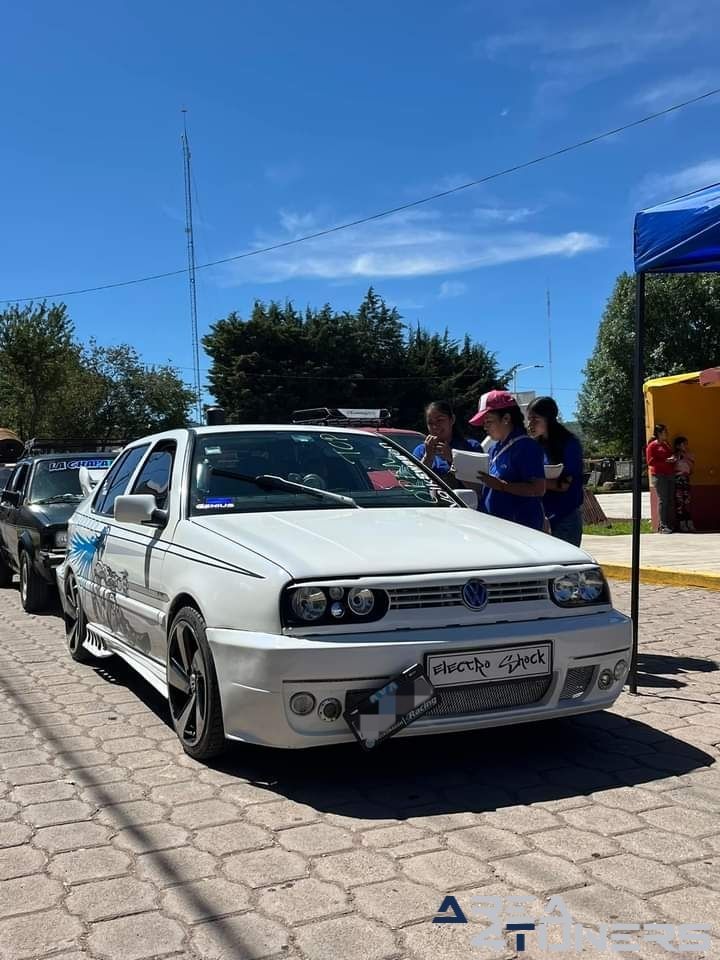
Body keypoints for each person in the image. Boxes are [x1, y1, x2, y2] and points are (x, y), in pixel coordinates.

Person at [468, 390, 546, 531]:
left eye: (489, 421)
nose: (485, 427)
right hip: (494, 527)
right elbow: (489, 487)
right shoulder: (494, 449)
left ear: (506, 418)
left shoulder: (526, 447)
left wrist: (503, 486)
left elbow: (539, 489)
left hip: (520, 528)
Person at [527, 396, 584, 546]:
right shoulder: (534, 445)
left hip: (565, 518)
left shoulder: (569, 444)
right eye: (528, 419)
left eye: (535, 419)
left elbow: (564, 485)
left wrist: (535, 483)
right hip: (540, 516)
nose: (530, 424)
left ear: (549, 419)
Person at [413, 400, 482, 487]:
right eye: (430, 423)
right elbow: (416, 485)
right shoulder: (421, 451)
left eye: (440, 420)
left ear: (452, 419)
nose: (435, 426)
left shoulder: (471, 447)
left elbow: (479, 488)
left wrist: (453, 459)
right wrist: (428, 457)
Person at [646, 424, 675, 533]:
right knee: (663, 500)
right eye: (664, 431)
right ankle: (663, 525)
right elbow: (650, 462)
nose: (667, 433)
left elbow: (671, 455)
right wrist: (665, 461)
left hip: (670, 474)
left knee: (671, 499)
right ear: (659, 433)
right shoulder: (652, 446)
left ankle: (671, 524)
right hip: (659, 475)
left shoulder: (666, 444)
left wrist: (673, 459)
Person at [673, 435, 696, 532]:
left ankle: (689, 523)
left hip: (686, 479)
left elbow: (691, 469)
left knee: (687, 502)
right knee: (679, 503)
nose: (686, 446)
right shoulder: (675, 456)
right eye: (684, 444)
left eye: (686, 444)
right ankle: (682, 524)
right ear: (678, 446)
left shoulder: (689, 455)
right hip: (678, 479)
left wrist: (686, 458)